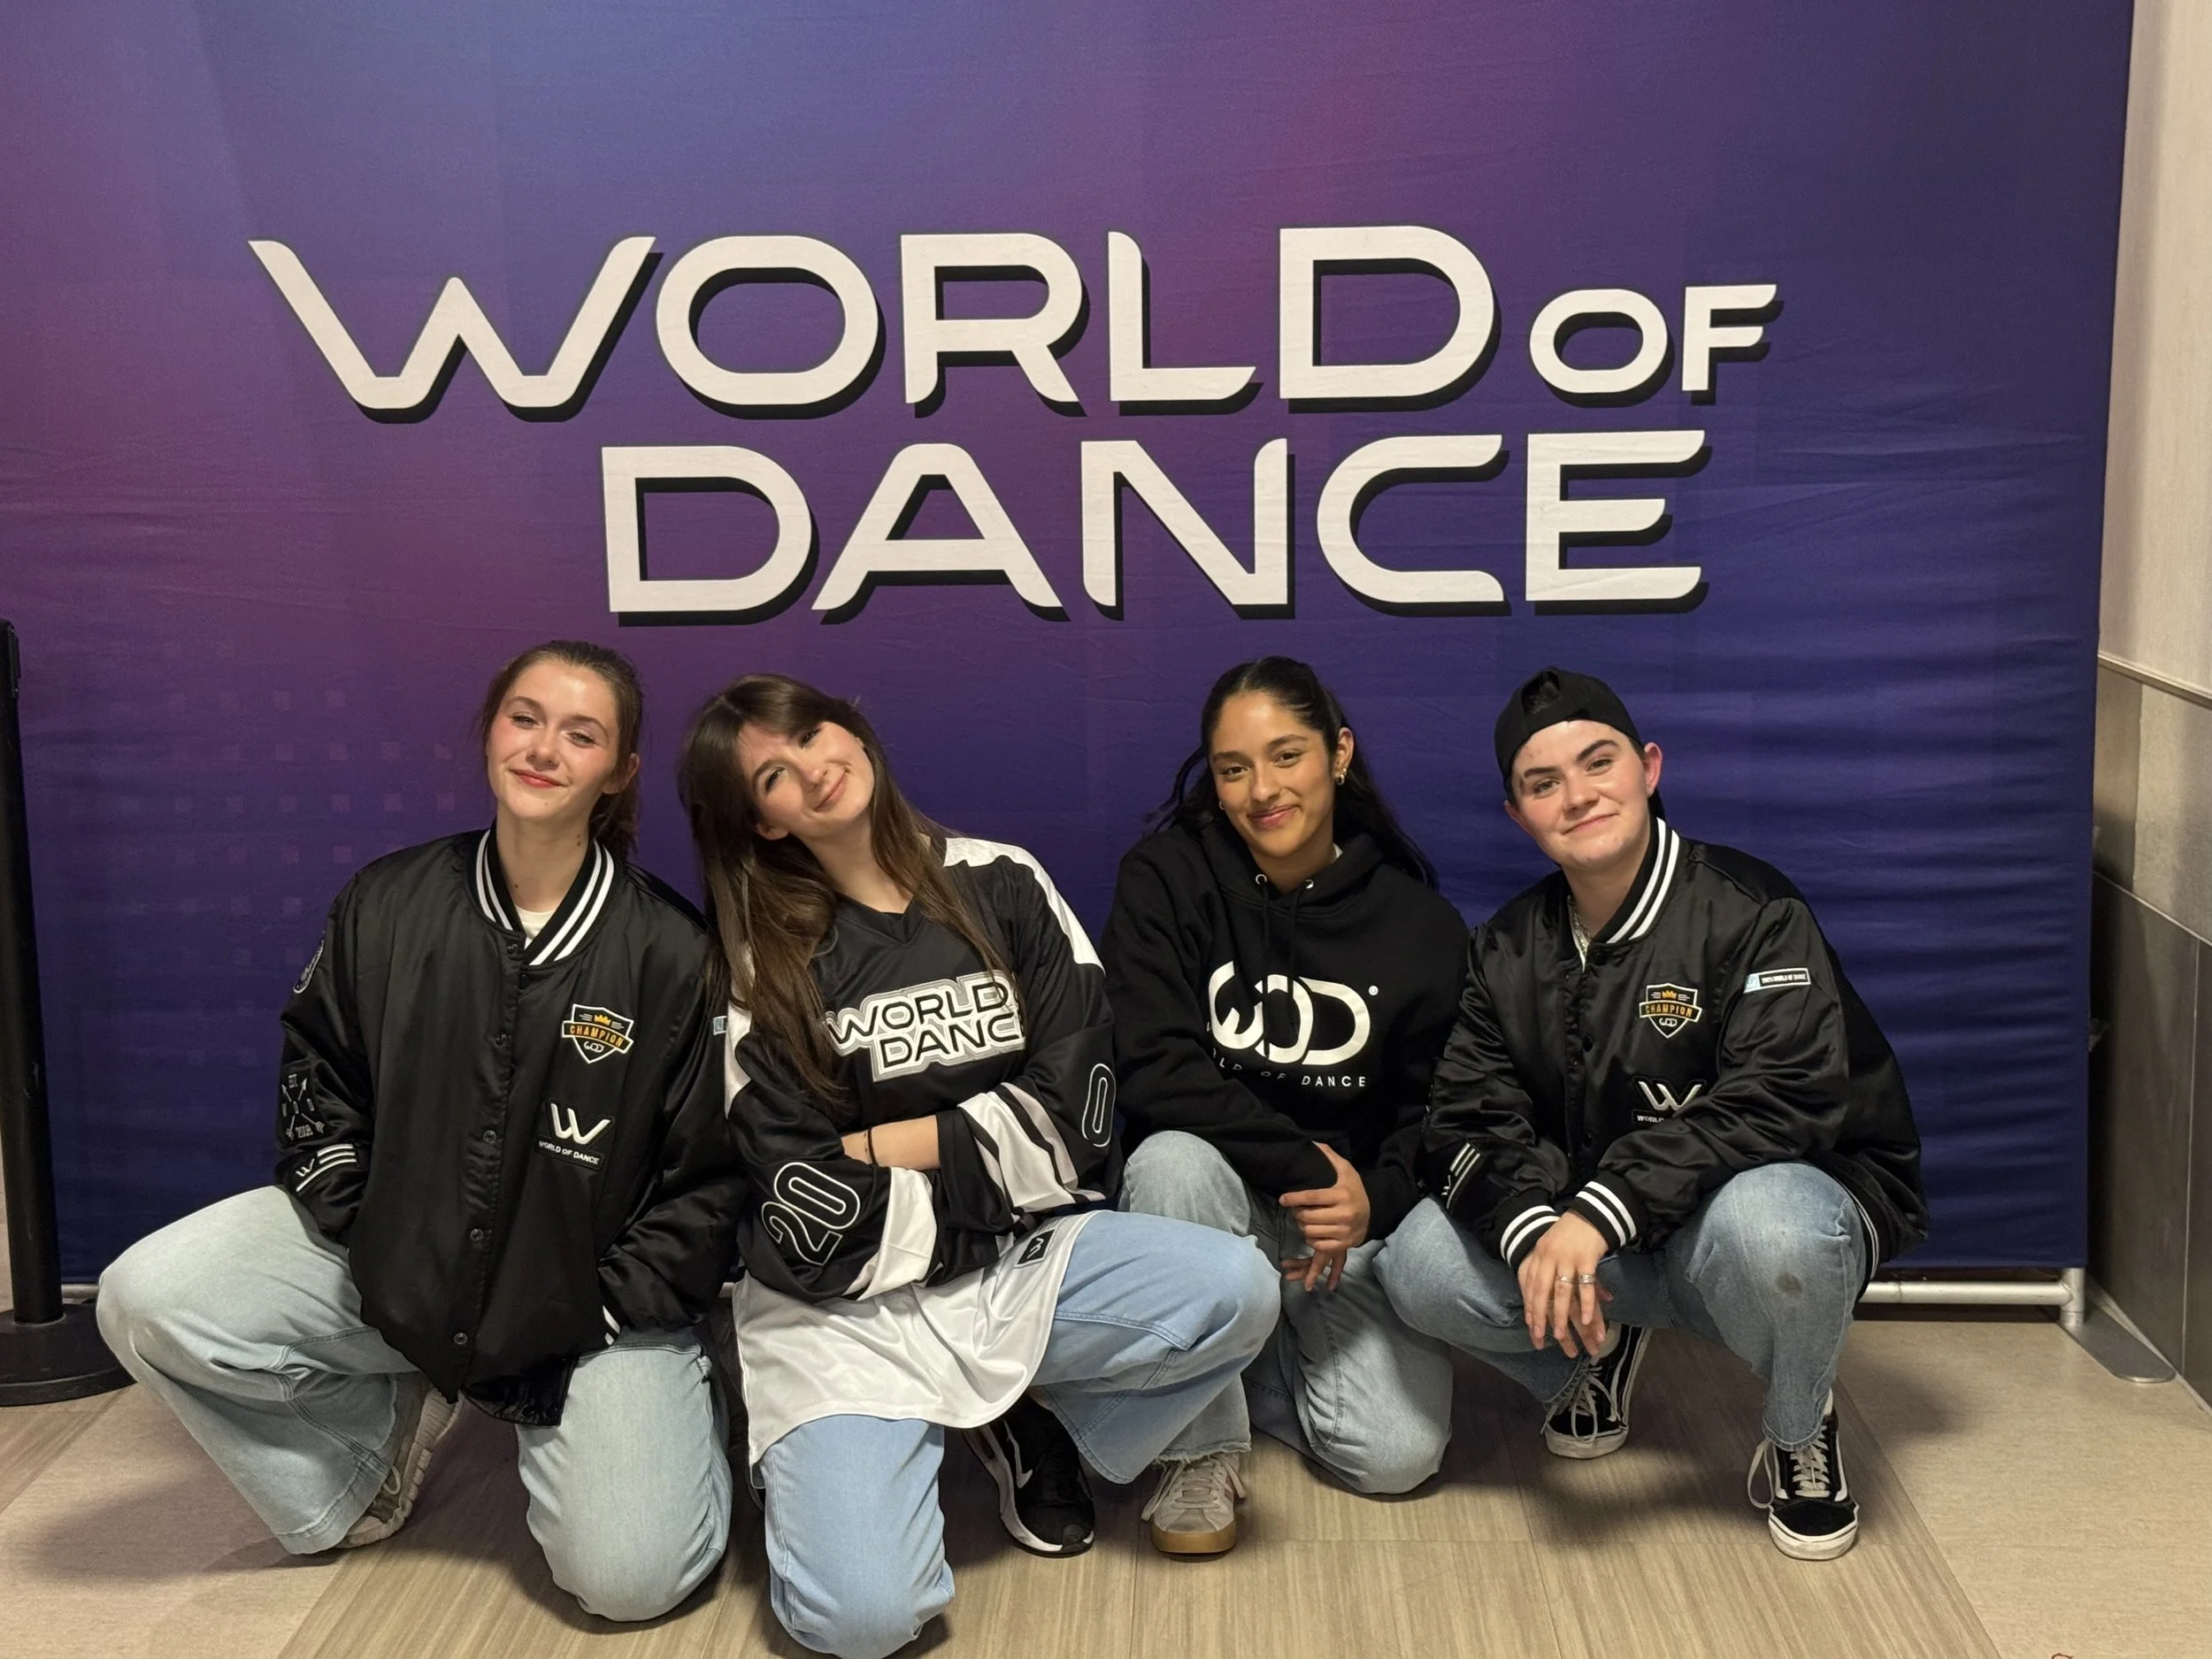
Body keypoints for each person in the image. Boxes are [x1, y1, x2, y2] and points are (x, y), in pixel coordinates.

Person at [97, 641, 741, 1620]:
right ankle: (367, 1461)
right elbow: (318, 1078)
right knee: (147, 1296)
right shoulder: (387, 900)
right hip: (409, 1256)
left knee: (630, 1583)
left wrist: (589, 1311)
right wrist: (376, 1232)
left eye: (582, 734)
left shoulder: (670, 951)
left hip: (587, 1315)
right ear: (490, 728)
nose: (543, 750)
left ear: (619, 773)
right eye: (524, 718)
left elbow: (706, 1187)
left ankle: (675, 1410)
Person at [680, 673, 1276, 1659]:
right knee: (862, 1623)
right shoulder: (754, 962)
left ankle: (1017, 1405)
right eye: (774, 777)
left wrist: (885, 1146)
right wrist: (984, 1156)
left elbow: (1077, 1118)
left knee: (1236, 1287)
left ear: (855, 730)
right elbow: (810, 1209)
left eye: (813, 734)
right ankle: (839, 1453)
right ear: (764, 822)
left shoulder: (1002, 877)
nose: (813, 771)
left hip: (1014, 1264)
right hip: (846, 1317)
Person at [1375, 667, 1927, 1561]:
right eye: (1541, 783)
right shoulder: (1508, 945)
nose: (1577, 795)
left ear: (1649, 768)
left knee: (1777, 1230)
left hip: (1747, 1219)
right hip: (1611, 1237)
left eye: (1598, 763)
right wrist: (1535, 1231)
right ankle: (1589, 1349)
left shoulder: (1752, 908)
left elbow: (1784, 1097)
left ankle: (1798, 1422)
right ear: (1518, 815)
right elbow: (1464, 1120)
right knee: (1416, 1262)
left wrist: (1598, 1213)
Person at [1101, 657, 1465, 1555]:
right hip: (1207, 1199)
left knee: (1396, 1457)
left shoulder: (1419, 924)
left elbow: (1446, 1115)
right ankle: (1196, 1446)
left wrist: (1369, 1202)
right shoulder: (1167, 877)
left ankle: (1232, 1354)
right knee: (1170, 1158)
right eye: (1233, 768)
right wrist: (1304, 1165)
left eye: (1286, 756)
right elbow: (1151, 1066)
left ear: (1338, 754)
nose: (1261, 790)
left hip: (1333, 1237)